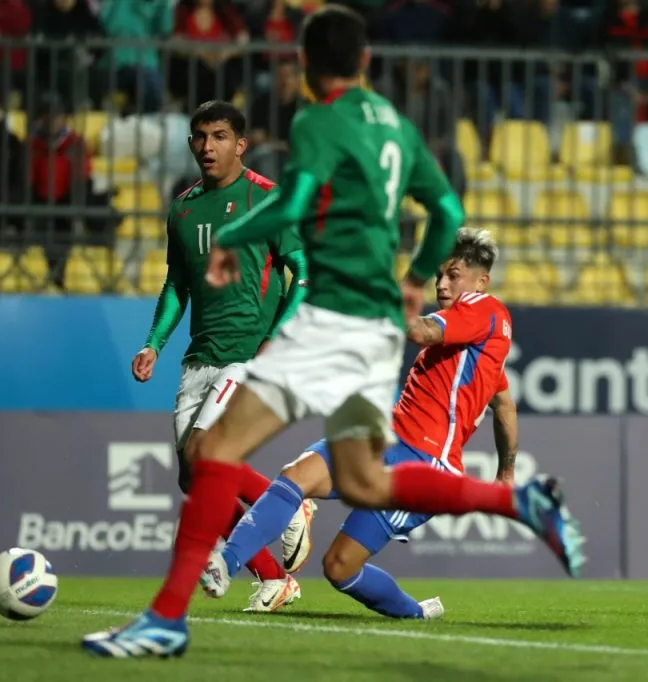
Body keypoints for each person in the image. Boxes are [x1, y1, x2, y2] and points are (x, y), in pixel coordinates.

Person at [83, 6, 583, 659]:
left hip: (330, 314)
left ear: (307, 67)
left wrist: (232, 238)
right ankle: (516, 504)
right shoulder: (397, 127)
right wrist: (416, 275)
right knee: (365, 483)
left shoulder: (318, 119)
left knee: (214, 453)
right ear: (367, 62)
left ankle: (166, 618)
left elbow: (290, 206)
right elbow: (449, 210)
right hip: (374, 329)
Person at [200, 227, 518, 621]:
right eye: (439, 274)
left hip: (422, 463)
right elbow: (504, 405)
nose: (441, 283)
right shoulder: (482, 342)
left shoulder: (484, 310)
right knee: (295, 475)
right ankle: (224, 564)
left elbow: (418, 330)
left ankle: (416, 614)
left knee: (339, 566)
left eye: (453, 274)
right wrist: (506, 472)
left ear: (480, 281)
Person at [130, 100, 315, 615]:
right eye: (199, 137)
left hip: (248, 355)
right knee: (194, 479)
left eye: (218, 136)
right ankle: (275, 577)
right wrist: (154, 343)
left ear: (241, 144)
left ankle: (287, 498)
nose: (206, 147)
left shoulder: (266, 199)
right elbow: (177, 284)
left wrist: (275, 337)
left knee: (204, 455)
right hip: (199, 358)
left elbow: (302, 272)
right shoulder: (183, 208)